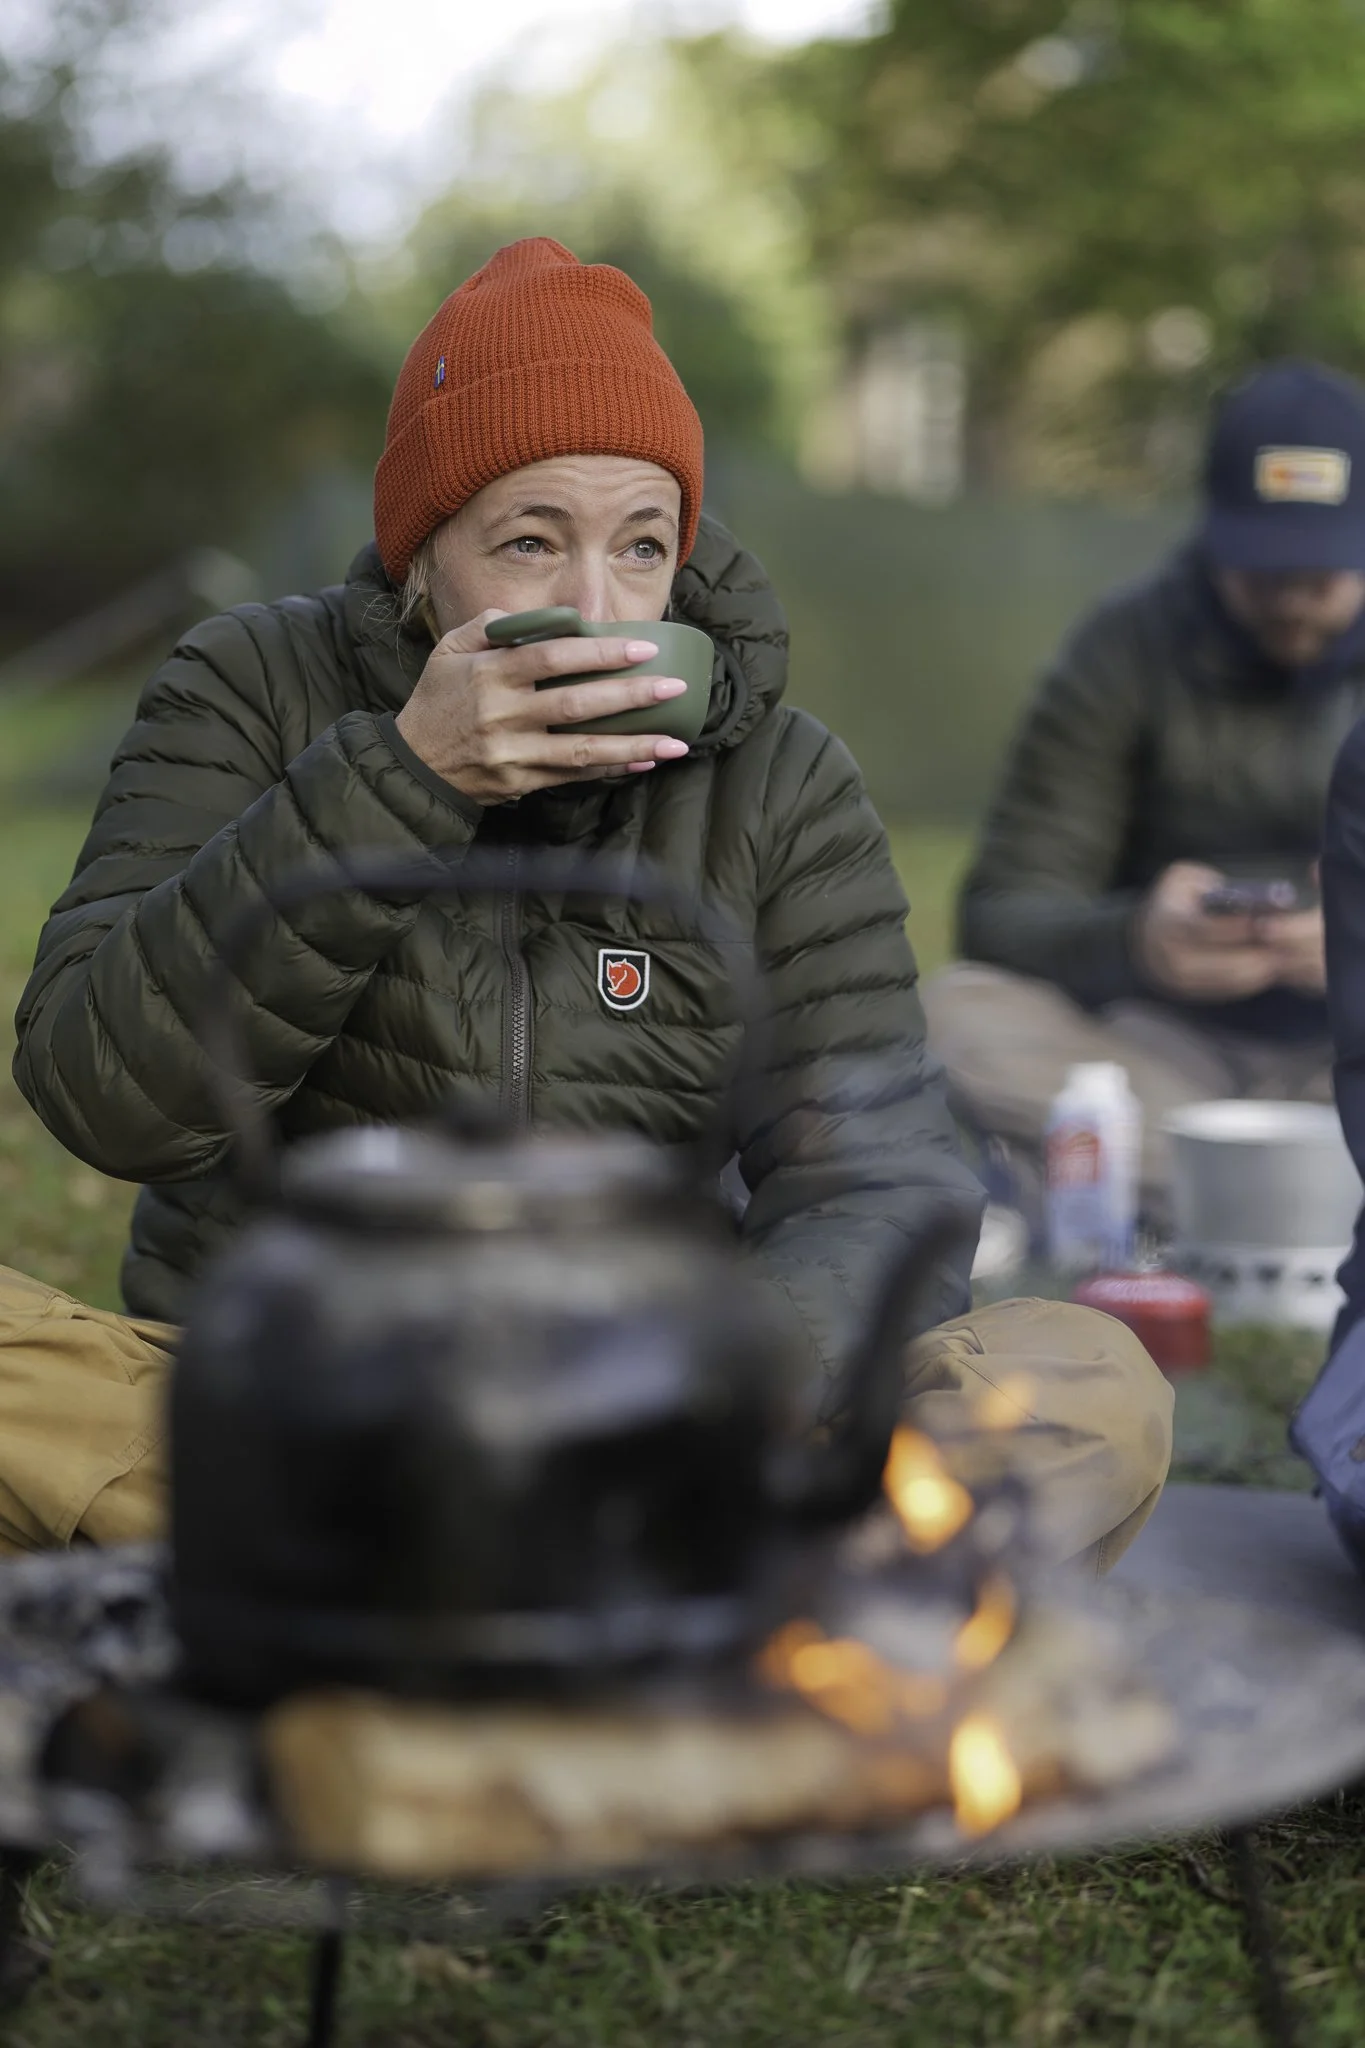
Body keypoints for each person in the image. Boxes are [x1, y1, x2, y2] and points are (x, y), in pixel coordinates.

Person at [0, 237, 1170, 1571]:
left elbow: (880, 1179)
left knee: (1085, 1380)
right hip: (299, 1413)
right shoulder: (247, 687)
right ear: (423, 552)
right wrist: (402, 780)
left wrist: (713, 1392)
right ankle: (720, 1603)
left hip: (666, 1428)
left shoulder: (783, 784)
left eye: (641, 546)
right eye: (529, 541)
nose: (598, 609)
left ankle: (581, 1568)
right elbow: (112, 1100)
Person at [924, 359, 1365, 1225]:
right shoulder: (1122, 648)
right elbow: (1004, 909)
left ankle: (1182, 1198)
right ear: (1212, 533)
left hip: (1346, 1054)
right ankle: (1306, 1201)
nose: (1292, 604)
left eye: (1319, 575)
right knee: (949, 1013)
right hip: (1164, 1056)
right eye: (1265, 571)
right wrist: (1138, 939)